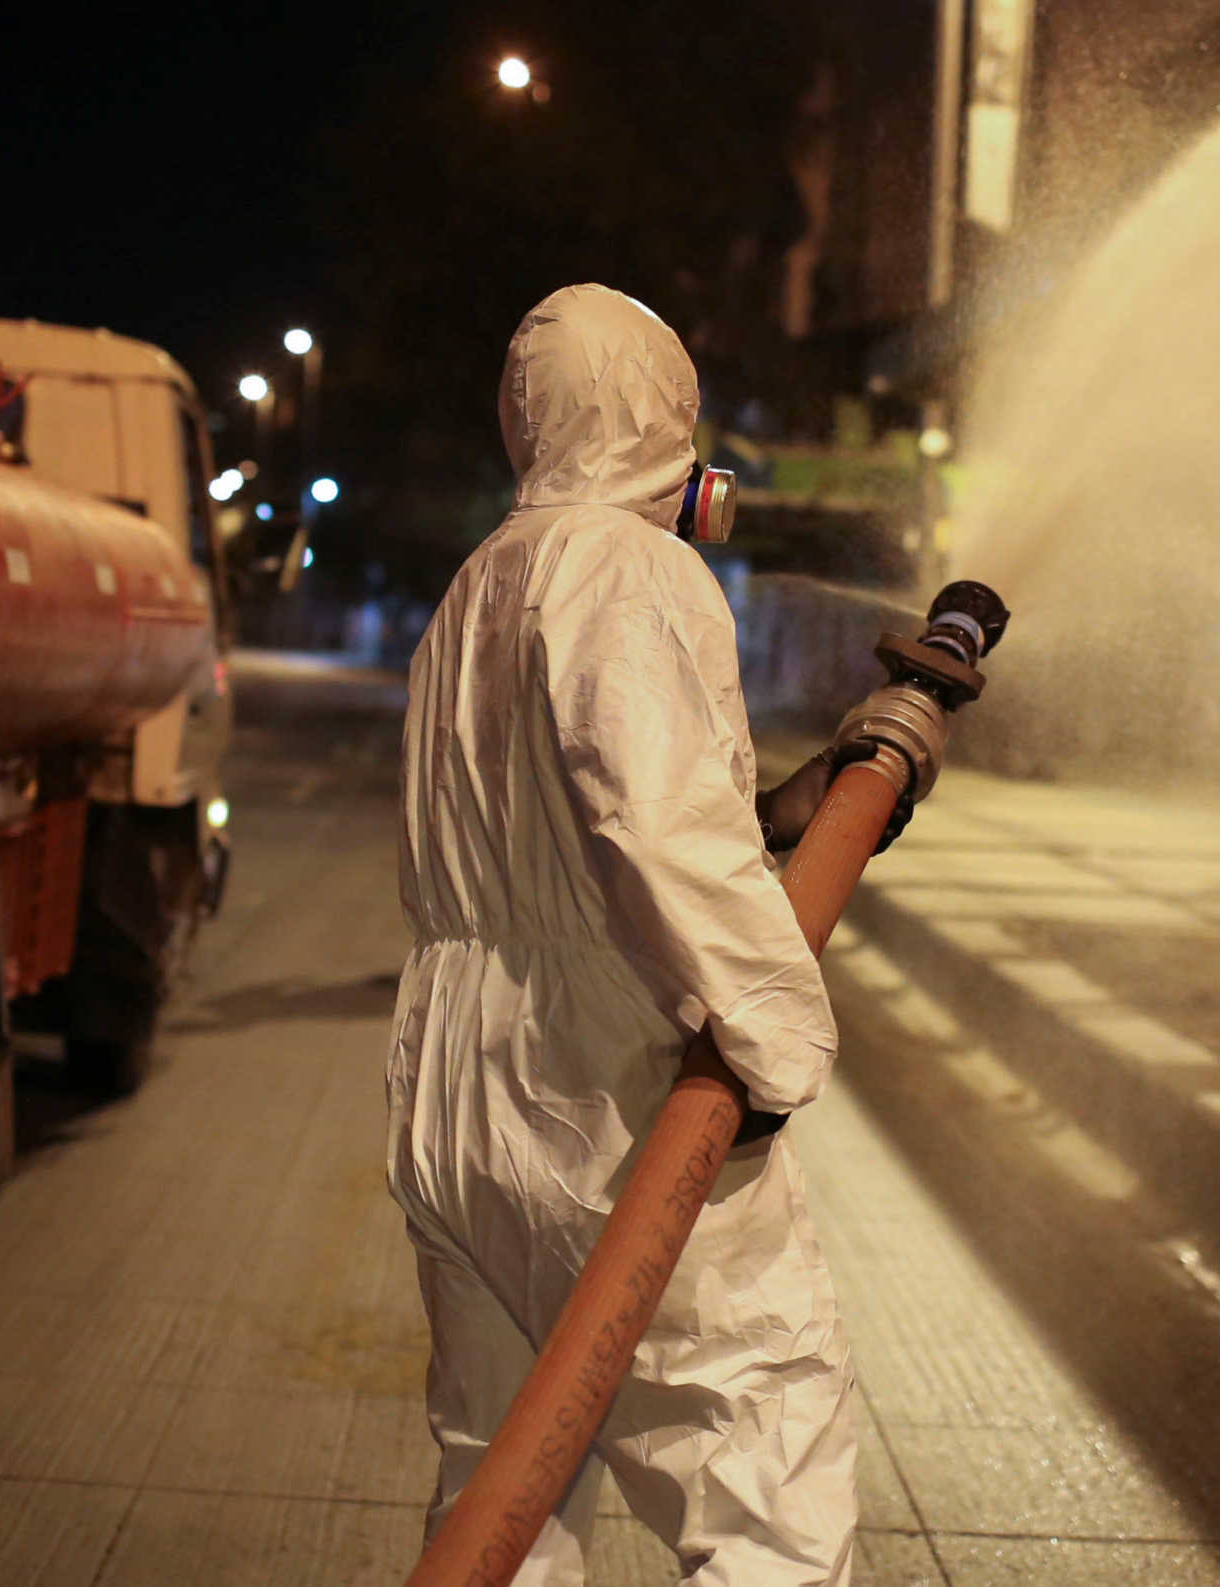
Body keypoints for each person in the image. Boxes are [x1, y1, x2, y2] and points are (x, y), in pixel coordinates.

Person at [386, 283, 861, 1585]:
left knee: (504, 1492)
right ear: (664, 416)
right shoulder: (627, 565)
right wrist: (772, 1052)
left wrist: (770, 815)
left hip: (457, 1096)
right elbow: (649, 826)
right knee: (766, 1479)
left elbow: (561, 825)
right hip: (600, 1102)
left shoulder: (475, 587)